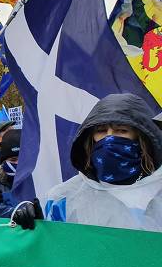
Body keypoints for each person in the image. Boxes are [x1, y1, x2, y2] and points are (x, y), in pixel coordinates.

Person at [43, 93, 162, 231]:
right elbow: (54, 245)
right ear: (90, 138)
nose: (109, 138)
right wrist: (34, 228)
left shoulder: (157, 191)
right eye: (101, 131)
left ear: (142, 138)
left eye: (121, 130)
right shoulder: (63, 197)